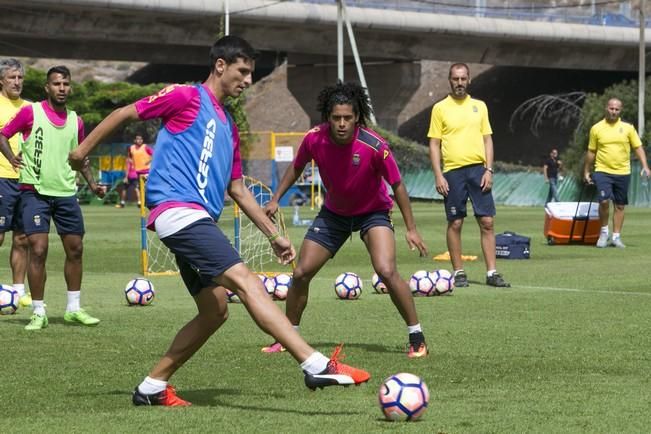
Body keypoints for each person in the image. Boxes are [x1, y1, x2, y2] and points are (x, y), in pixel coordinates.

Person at [69, 35, 370, 407]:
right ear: (221, 66)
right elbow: (125, 113)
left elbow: (238, 189)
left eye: (251, 74)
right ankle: (314, 363)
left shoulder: (228, 124)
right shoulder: (186, 96)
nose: (247, 80)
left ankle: (151, 387)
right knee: (246, 281)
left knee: (215, 311)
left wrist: (273, 233)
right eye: (243, 71)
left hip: (195, 220)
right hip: (179, 212)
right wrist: (82, 151)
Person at [261, 81, 430, 358]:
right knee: (301, 273)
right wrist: (276, 197)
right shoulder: (314, 139)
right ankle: (287, 336)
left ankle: (417, 337)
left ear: (357, 118)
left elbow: (397, 185)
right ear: (328, 117)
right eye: (336, 118)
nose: (341, 123)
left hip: (372, 213)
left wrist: (411, 228)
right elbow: (297, 166)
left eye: (347, 118)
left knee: (386, 270)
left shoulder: (375, 146)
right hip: (334, 215)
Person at [0, 65, 104, 330]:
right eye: (56, 84)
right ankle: (38, 311)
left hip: (66, 193)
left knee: (76, 249)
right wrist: (12, 158)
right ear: (47, 87)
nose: (62, 88)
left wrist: (92, 185)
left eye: (66, 84)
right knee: (38, 249)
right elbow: (3, 134)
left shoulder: (75, 121)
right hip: (34, 192)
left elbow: (80, 158)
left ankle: (73, 308)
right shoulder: (30, 112)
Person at [427, 63, 510, 288]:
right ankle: (458, 272)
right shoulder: (440, 108)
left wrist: (489, 170)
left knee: (487, 222)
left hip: (478, 171)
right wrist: (438, 175)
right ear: (450, 80)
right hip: (452, 172)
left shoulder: (479, 107)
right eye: (456, 79)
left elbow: (487, 140)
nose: (460, 83)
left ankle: (492, 272)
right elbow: (434, 144)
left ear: (469, 80)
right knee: (455, 222)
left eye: (463, 79)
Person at [583, 97, 650, 248]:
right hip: (602, 170)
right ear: (606, 108)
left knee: (619, 206)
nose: (613, 111)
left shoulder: (628, 128)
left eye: (617, 109)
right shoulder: (596, 128)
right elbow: (591, 151)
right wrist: (586, 171)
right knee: (604, 201)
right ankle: (604, 233)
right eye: (611, 108)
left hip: (623, 172)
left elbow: (638, 148)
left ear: (620, 111)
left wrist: (645, 166)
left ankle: (616, 237)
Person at [0, 58, 31, 307]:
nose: (17, 82)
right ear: (1, 80)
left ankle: (18, 292)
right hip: (1, 178)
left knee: (22, 238)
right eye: (12, 77)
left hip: (26, 181)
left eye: (20, 77)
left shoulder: (31, 108)